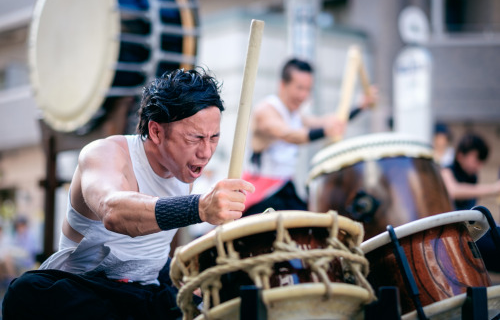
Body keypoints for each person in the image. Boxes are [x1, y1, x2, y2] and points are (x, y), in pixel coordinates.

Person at [2, 68, 255, 319]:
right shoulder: (105, 154)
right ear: (156, 131)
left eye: (214, 138)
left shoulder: (184, 172)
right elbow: (114, 212)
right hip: (88, 291)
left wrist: (188, 279)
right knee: (25, 292)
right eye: (195, 138)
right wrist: (199, 208)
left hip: (145, 295)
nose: (206, 151)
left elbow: (145, 255)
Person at [242, 58, 377, 216]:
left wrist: (359, 107)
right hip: (260, 194)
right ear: (282, 85)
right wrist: (326, 131)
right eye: (299, 88)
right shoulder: (265, 111)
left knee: (316, 221)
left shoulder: (296, 115)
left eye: (308, 89)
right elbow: (290, 135)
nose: (303, 95)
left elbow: (330, 121)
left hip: (285, 188)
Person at [440, 132, 500, 273]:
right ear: (461, 155)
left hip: (470, 234)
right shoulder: (446, 170)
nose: (479, 166)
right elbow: (453, 191)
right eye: (476, 160)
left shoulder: (472, 176)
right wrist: (494, 188)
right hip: (451, 238)